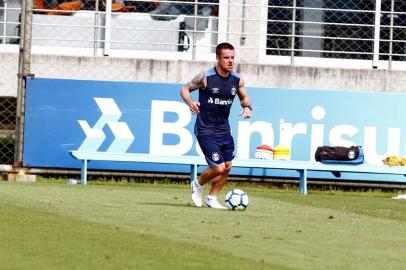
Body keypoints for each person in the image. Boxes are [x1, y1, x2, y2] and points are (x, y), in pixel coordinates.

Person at [180, 42, 252, 209]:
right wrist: (190, 103)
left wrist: (247, 107)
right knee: (218, 168)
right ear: (218, 58)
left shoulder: (237, 79)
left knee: (227, 166)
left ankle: (212, 198)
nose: (230, 61)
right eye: (226, 58)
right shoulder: (205, 77)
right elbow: (184, 89)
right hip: (205, 129)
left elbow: (244, 97)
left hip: (224, 130)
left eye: (232, 57)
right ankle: (197, 184)